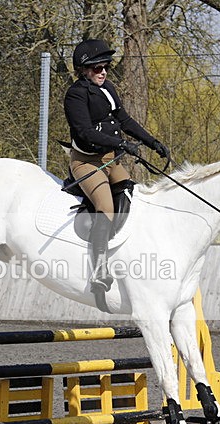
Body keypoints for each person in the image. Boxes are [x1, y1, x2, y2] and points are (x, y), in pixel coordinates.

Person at [64, 38, 169, 294]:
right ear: (84, 70)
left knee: (131, 193)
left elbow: (124, 119)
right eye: (97, 68)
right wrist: (122, 144)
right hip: (87, 162)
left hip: (109, 159)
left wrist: (152, 142)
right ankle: (99, 270)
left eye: (105, 67)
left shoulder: (108, 87)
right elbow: (86, 133)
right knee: (106, 207)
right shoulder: (75, 95)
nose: (103, 72)